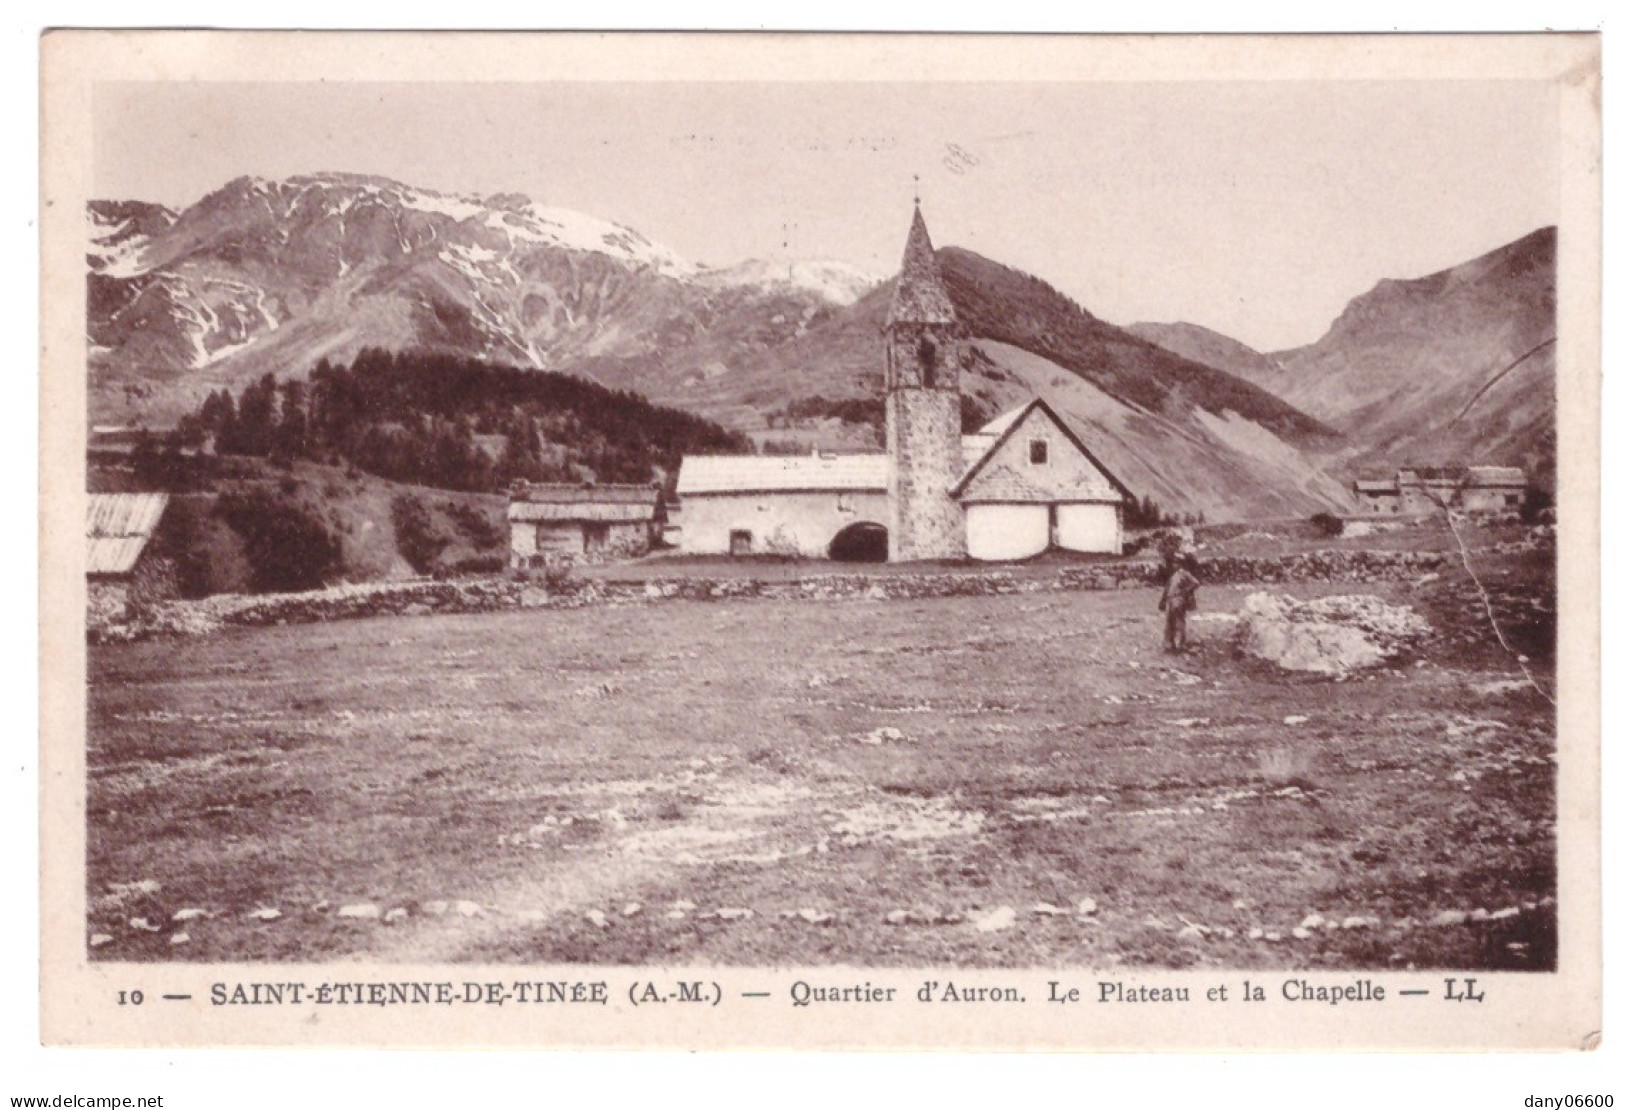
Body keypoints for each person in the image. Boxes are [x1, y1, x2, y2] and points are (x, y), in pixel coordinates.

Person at [1159, 553, 1200, 653]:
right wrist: (1163, 600)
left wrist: (1186, 591)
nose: (1174, 564)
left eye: (1176, 562)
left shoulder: (1184, 573)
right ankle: (1169, 645)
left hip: (1179, 599)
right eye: (1174, 562)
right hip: (1171, 599)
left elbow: (1196, 583)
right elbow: (1167, 588)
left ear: (1181, 564)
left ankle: (1179, 645)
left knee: (1179, 622)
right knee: (1170, 622)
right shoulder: (1174, 574)